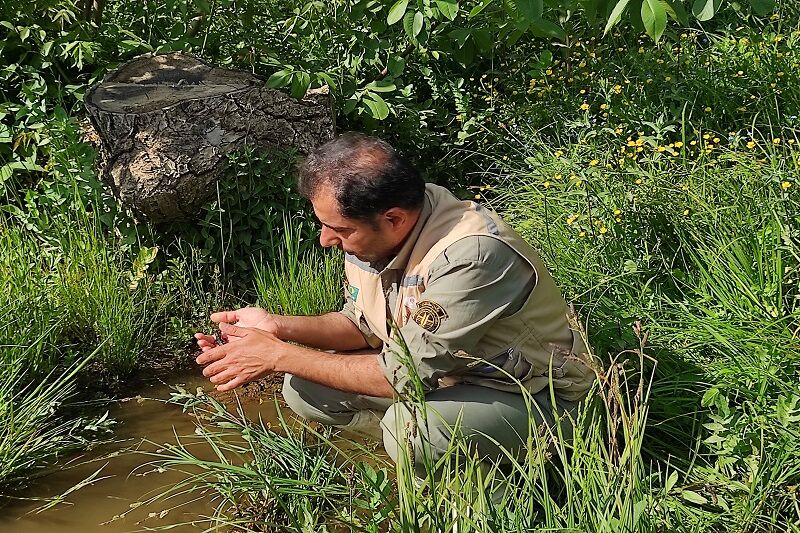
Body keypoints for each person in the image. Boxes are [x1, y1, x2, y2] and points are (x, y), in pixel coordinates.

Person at [194, 132, 595, 476]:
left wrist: (278, 355)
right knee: (304, 389)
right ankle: (426, 464)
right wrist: (276, 328)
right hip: (451, 382)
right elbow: (364, 325)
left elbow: (398, 375)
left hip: (540, 398)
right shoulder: (377, 234)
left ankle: (502, 490)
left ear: (393, 219)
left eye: (338, 229)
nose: (325, 241)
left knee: (413, 429)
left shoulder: (471, 254)